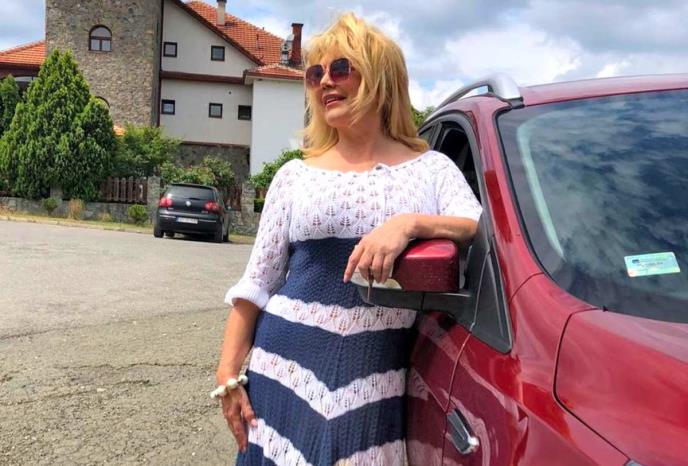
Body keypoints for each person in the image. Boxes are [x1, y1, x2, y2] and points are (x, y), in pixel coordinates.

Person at [215, 12, 482, 466]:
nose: (324, 82)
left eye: (340, 68)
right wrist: (227, 374)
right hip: (282, 368)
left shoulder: (431, 169)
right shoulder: (294, 175)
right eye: (315, 74)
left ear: (380, 79)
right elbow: (257, 283)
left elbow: (478, 226)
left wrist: (408, 225)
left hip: (374, 375)